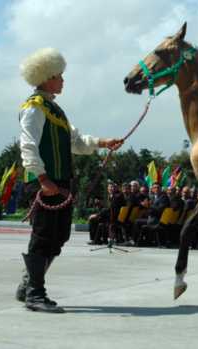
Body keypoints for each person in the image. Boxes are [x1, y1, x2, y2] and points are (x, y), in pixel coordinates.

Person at [16, 47, 123, 313]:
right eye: (59, 75)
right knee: (43, 235)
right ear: (46, 76)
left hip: (61, 183)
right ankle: (35, 295)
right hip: (45, 182)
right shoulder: (33, 107)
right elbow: (27, 146)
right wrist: (42, 179)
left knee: (59, 236)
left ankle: (28, 285)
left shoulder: (56, 110)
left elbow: (76, 141)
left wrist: (102, 142)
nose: (63, 79)